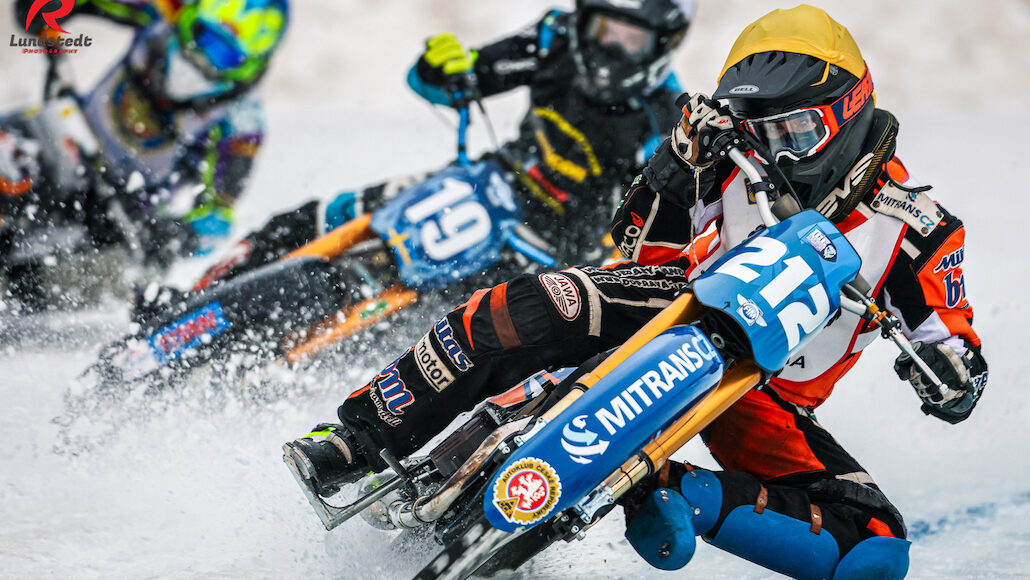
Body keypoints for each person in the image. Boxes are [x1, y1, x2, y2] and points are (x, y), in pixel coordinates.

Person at [283, 5, 988, 579]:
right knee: (530, 306)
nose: (777, 152)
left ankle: (670, 489)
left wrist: (952, 374)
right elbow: (641, 252)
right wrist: (677, 164)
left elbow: (954, 348)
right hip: (682, 301)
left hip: (763, 392)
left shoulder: (917, 227)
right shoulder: (731, 155)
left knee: (875, 543)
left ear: (852, 109)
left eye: (797, 130)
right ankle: (357, 437)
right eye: (761, 129)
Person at [189, 0, 696, 290]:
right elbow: (446, 81)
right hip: (485, 184)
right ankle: (198, 292)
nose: (610, 49)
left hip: (550, 253)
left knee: (444, 322)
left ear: (663, 43)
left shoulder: (666, 124)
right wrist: (442, 65)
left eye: (630, 39)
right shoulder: (553, 38)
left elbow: (649, 238)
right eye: (603, 29)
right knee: (320, 216)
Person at [1, 0, 288, 304]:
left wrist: (175, 235)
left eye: (225, 55)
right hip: (64, 139)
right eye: (203, 36)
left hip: (118, 217)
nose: (204, 58)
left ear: (248, 66)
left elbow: (217, 218)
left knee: (98, 277)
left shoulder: (241, 122)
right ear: (189, 18)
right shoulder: (163, 12)